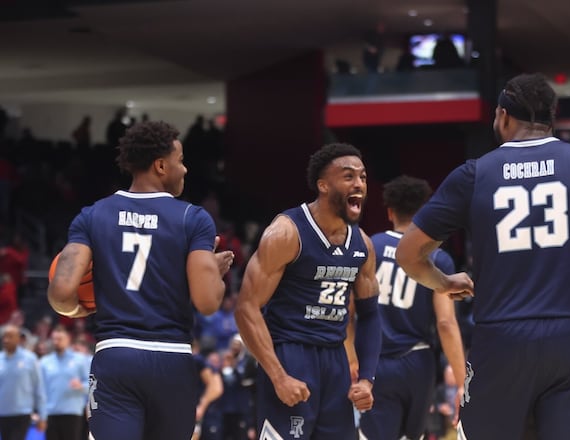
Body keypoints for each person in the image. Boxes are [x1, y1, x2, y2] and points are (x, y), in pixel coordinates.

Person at [396, 73, 570, 439]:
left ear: (504, 117)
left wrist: (444, 282)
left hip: (501, 338)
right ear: (551, 119)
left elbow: (409, 254)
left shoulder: (474, 174)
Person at [47, 120, 234, 440]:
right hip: (172, 360)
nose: (185, 170)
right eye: (181, 161)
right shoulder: (193, 218)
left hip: (116, 356)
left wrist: (78, 310)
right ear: (161, 165)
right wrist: (211, 275)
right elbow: (206, 302)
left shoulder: (93, 215)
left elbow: (62, 291)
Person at [234, 143, 381, 439]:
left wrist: (366, 379)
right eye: (349, 176)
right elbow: (246, 308)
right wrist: (278, 376)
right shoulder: (287, 232)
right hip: (291, 353)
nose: (359, 184)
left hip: (335, 360)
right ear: (323, 185)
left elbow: (370, 316)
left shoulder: (362, 244)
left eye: (363, 177)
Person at [357, 175, 466, 439]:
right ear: (424, 213)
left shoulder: (369, 246)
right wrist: (463, 382)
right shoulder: (437, 257)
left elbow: (352, 311)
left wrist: (350, 356)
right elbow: (445, 323)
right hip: (418, 362)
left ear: (390, 212)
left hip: (376, 361)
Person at [40, 325, 90, 440]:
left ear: (68, 340)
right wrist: (41, 413)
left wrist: (81, 386)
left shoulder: (80, 360)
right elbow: (41, 389)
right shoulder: (45, 362)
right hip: (51, 412)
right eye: (54, 339)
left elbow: (91, 385)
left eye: (60, 339)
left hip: (73, 412)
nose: (56, 342)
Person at [0, 324, 47, 440]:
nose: (6, 340)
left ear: (18, 339)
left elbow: (39, 388)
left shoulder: (30, 359)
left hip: (22, 413)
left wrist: (42, 416)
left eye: (10, 337)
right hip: (3, 413)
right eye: (4, 337)